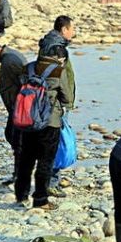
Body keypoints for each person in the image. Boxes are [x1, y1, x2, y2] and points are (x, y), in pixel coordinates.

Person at [14, 48, 75, 210]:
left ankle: (21, 195)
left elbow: (19, 88)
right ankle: (40, 200)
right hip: (50, 123)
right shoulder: (58, 71)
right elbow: (67, 98)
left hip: (27, 120)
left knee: (26, 159)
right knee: (45, 161)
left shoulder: (28, 68)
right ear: (60, 58)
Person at [39, 15, 76, 197]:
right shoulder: (56, 48)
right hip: (55, 103)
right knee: (54, 143)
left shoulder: (49, 43)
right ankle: (50, 183)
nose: (74, 33)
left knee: (52, 142)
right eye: (72, 29)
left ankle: (50, 180)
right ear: (64, 30)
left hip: (49, 102)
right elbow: (56, 78)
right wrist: (66, 101)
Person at [0, 38, 27, 184]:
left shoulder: (9, 60)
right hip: (17, 108)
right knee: (12, 137)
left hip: (19, 108)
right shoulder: (9, 56)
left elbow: (24, 83)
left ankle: (20, 175)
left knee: (17, 140)